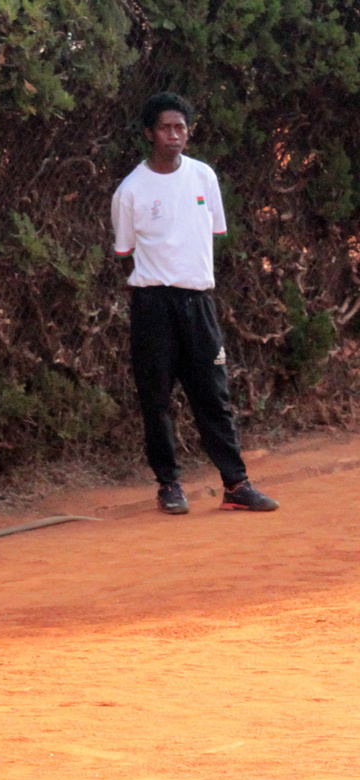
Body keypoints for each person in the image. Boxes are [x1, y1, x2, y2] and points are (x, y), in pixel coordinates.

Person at [111, 92, 278, 515]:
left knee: (213, 396)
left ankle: (236, 485)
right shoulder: (130, 190)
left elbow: (212, 233)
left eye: (180, 127)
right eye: (165, 128)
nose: (174, 135)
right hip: (153, 305)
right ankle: (169, 485)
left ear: (189, 131)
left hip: (199, 302)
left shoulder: (204, 177)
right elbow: (124, 250)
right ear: (150, 133)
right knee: (156, 399)